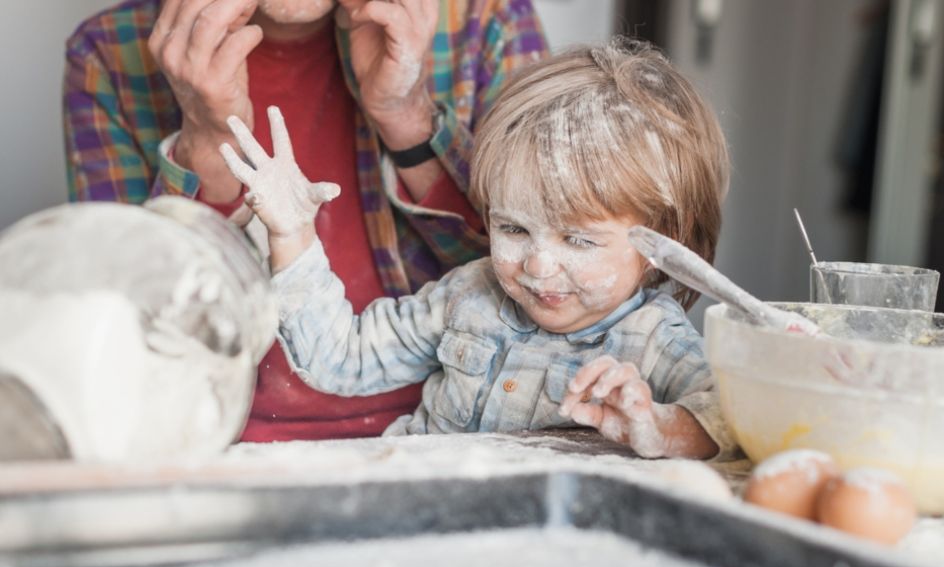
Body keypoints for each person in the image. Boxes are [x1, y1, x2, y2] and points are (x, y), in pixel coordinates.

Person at [219, 40, 739, 460]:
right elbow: (340, 360)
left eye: (577, 239)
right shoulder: (468, 295)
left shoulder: (652, 340)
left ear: (661, 246)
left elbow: (731, 418)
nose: (536, 266)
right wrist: (292, 238)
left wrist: (658, 426)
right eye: (513, 229)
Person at [63, 0, 547, 442]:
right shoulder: (109, 53)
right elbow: (128, 330)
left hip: (452, 431)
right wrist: (208, 137)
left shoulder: (487, 22)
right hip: (220, 440)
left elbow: (544, 286)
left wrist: (407, 114)